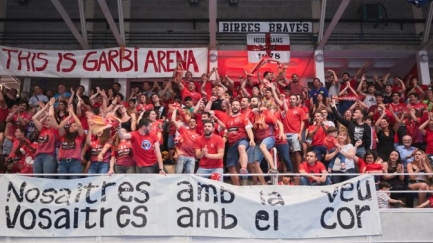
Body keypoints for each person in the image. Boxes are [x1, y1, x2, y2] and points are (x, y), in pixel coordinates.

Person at [222, 100, 255, 185]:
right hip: (231, 144)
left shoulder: (244, 117)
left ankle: (243, 168)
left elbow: (249, 130)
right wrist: (222, 142)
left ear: (240, 107)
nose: (235, 106)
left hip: (242, 139)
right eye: (233, 105)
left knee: (241, 147)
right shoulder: (228, 120)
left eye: (237, 105)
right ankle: (237, 187)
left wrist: (251, 139)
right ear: (231, 107)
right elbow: (226, 134)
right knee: (231, 167)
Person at [31, 98, 59, 177]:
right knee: (37, 179)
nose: (46, 122)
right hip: (38, 156)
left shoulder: (55, 130)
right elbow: (34, 118)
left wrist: (51, 105)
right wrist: (45, 108)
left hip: (49, 156)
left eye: (48, 120)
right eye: (45, 120)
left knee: (47, 179)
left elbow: (51, 115)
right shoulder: (42, 129)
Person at [57, 104, 85, 179]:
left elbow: (79, 125)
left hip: (75, 163)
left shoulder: (80, 137)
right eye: (71, 125)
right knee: (62, 184)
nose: (72, 127)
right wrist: (69, 116)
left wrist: (72, 112)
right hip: (62, 163)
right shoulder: (63, 136)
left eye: (74, 126)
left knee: (74, 184)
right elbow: (60, 126)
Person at [171, 108, 199, 174]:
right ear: (188, 124)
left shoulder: (199, 136)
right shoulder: (184, 130)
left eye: (193, 122)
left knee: (190, 176)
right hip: (182, 156)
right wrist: (175, 110)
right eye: (190, 122)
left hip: (192, 157)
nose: (191, 123)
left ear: (196, 124)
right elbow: (173, 120)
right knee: (178, 175)